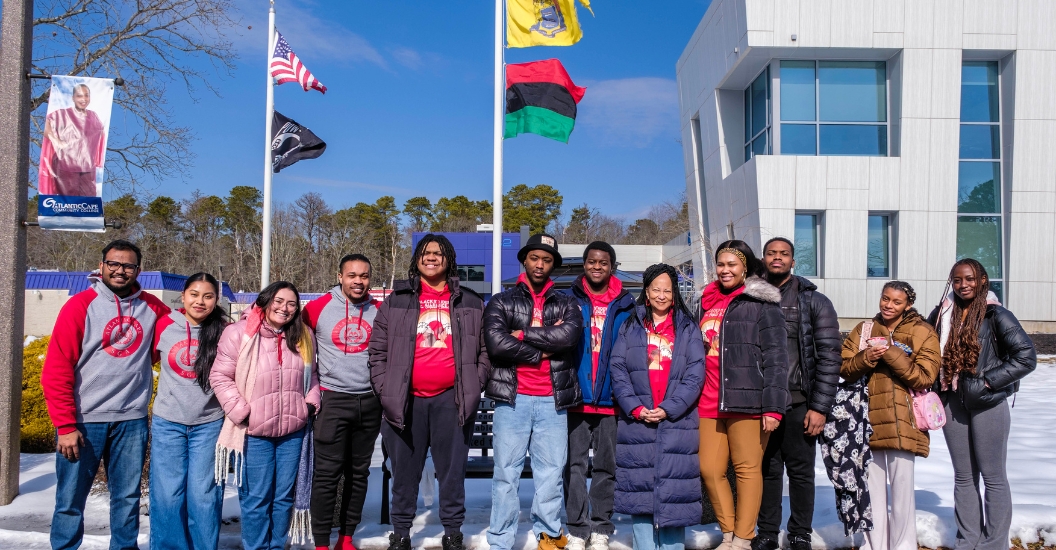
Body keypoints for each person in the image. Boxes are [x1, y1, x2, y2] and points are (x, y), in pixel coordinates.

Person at [41, 239, 171, 550]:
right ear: (102, 266)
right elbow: (57, 368)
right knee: (70, 499)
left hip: (131, 421)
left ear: (138, 270)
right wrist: (65, 425)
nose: (120, 270)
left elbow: (189, 326)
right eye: (113, 263)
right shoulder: (79, 305)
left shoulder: (152, 307)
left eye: (128, 265)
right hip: (85, 422)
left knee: (126, 498)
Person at [369, 235, 490, 550]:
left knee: (451, 474)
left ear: (449, 259)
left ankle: (452, 531)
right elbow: (377, 352)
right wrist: (386, 389)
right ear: (417, 259)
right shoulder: (396, 300)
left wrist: (474, 383)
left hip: (452, 400)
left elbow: (484, 352)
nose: (431, 257)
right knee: (404, 473)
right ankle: (401, 533)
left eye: (438, 253)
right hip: (405, 401)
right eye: (425, 252)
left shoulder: (471, 301)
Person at [927, 260, 1036, 550]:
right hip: (952, 402)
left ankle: (993, 544)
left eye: (970, 279)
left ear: (983, 280)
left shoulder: (996, 313)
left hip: (988, 402)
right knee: (963, 477)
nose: (963, 285)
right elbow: (924, 349)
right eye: (957, 280)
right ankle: (968, 540)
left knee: (993, 476)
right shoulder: (940, 315)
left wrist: (988, 383)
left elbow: (1026, 357)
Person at [484, 233, 583, 550]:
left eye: (547, 259)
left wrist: (524, 333)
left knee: (551, 474)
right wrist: (538, 353)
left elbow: (568, 337)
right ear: (524, 260)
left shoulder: (567, 302)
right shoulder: (501, 300)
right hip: (512, 400)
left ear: (553, 265)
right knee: (505, 475)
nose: (540, 264)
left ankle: (549, 534)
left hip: (553, 401)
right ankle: (500, 539)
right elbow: (496, 343)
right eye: (535, 258)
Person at [210, 281, 321, 550]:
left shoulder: (303, 335)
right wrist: (241, 412)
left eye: (292, 304)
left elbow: (312, 376)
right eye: (279, 301)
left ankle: (276, 546)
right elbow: (220, 376)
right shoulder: (239, 333)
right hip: (254, 432)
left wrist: (310, 403)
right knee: (256, 498)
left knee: (283, 498)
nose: (285, 308)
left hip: (292, 432)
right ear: (265, 301)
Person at [696, 240, 788, 550]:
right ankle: (728, 531)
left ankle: (743, 538)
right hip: (708, 400)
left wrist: (773, 407)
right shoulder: (706, 302)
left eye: (731, 264)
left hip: (748, 400)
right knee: (709, 469)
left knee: (747, 470)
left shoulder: (761, 304)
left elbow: (777, 358)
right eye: (720, 264)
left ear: (745, 267)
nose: (725, 270)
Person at [609, 263, 705, 550]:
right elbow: (618, 370)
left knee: (675, 495)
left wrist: (670, 408)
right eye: (655, 290)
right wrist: (635, 408)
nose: (661, 295)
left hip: (678, 423)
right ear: (646, 293)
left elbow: (695, 374)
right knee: (640, 496)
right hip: (637, 424)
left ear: (674, 294)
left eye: (667, 290)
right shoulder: (630, 326)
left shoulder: (688, 328)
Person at [754, 238, 842, 550]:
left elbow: (830, 357)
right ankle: (766, 532)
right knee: (766, 469)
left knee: (801, 472)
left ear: (793, 260)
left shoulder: (814, 301)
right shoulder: (750, 296)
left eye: (784, 254)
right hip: (760, 402)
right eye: (771, 253)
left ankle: (800, 532)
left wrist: (819, 407)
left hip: (798, 401)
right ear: (763, 258)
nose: (777, 258)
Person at [840, 281, 940, 550]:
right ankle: (873, 545)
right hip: (865, 420)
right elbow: (845, 368)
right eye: (885, 298)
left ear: (908, 305)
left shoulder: (922, 331)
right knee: (871, 491)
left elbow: (924, 377)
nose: (888, 305)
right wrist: (867, 356)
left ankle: (903, 545)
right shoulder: (865, 329)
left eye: (897, 302)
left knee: (902, 491)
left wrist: (891, 352)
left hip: (903, 422)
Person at [302, 254, 383, 550]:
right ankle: (321, 542)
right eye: (352, 275)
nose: (358, 281)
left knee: (358, 474)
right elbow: (288, 331)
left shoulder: (379, 310)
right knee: (327, 476)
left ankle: (347, 538)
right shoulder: (316, 308)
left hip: (369, 401)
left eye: (364, 276)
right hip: (333, 399)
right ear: (340, 276)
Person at [562, 242, 636, 550]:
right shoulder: (568, 299)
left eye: (603, 262)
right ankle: (577, 529)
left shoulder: (628, 305)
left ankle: (601, 527)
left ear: (612, 266)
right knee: (575, 466)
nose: (596, 266)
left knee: (607, 466)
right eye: (591, 261)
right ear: (584, 265)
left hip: (611, 399)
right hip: (578, 397)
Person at [149, 273, 229, 550]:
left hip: (209, 423)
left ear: (216, 300)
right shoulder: (164, 326)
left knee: (204, 495)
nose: (200, 301)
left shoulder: (224, 329)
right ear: (182, 296)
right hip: (168, 422)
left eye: (208, 296)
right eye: (194, 294)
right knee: (168, 495)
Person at [40, 83, 107, 197]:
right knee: (68, 203)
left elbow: (101, 133)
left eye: (86, 96)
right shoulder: (62, 113)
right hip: (66, 165)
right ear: (73, 98)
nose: (84, 99)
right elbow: (47, 125)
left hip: (87, 167)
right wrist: (57, 141)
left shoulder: (93, 115)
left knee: (88, 202)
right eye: (79, 96)